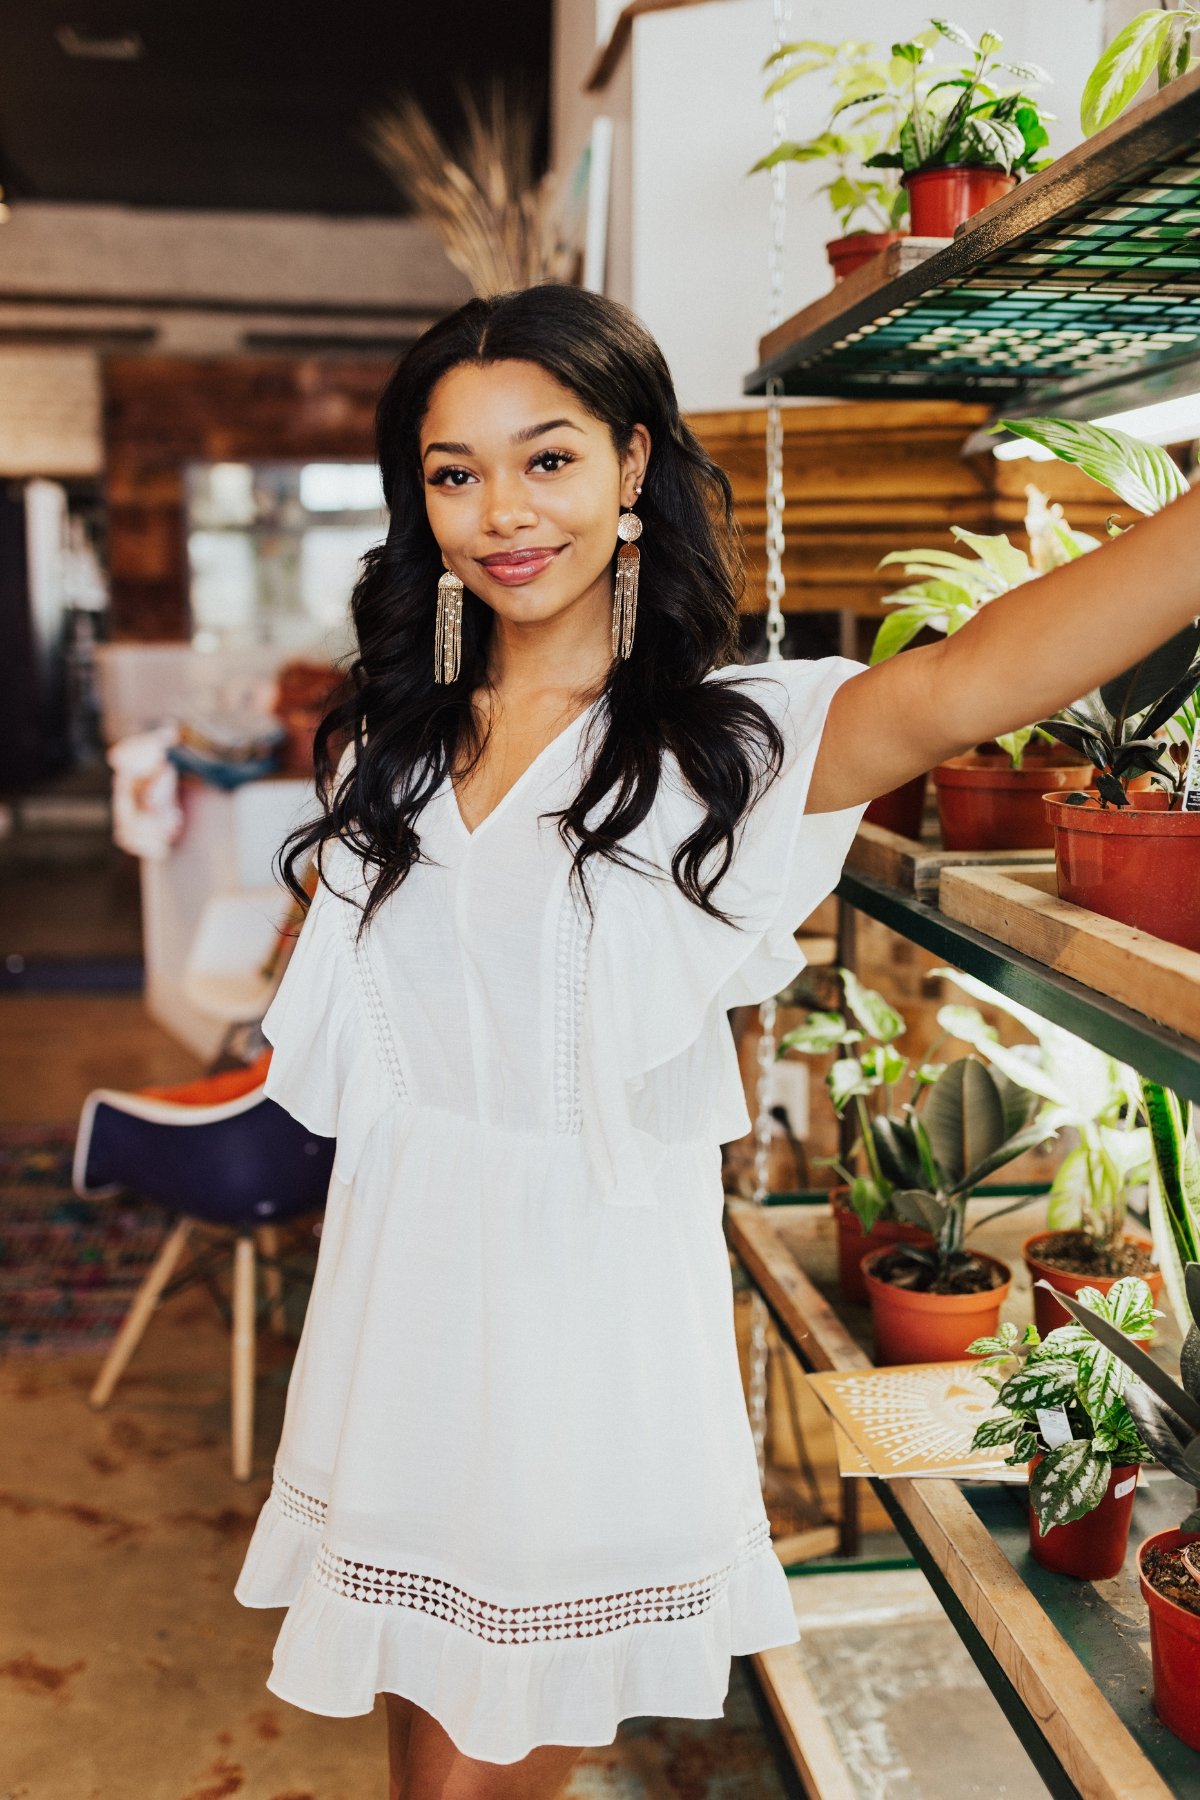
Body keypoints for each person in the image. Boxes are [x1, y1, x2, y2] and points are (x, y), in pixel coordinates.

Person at [234, 283, 1200, 1799]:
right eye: (454, 471)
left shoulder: (722, 745)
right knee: (428, 1719)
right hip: (401, 1308)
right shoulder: (391, 743)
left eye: (546, 459)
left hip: (586, 1324)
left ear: (632, 469)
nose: (500, 511)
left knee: (490, 1760)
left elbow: (979, 675)